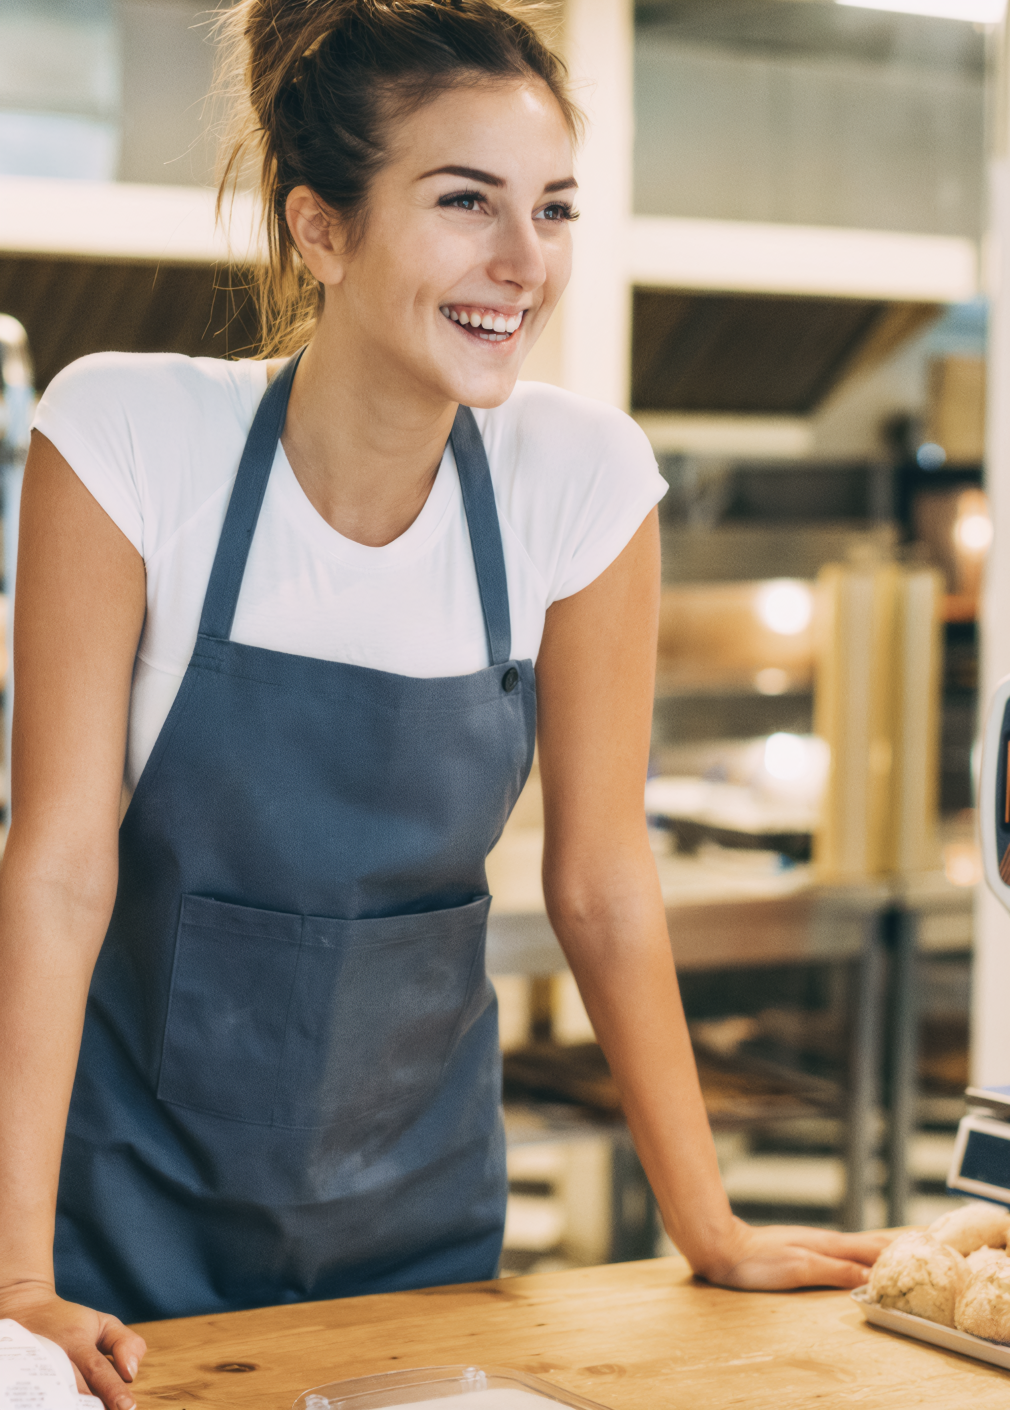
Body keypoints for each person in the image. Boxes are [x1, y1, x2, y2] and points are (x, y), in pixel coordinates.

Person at [0, 0, 890, 1404]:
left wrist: (705, 1223)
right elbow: (57, 868)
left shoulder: (580, 481)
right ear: (321, 226)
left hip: (418, 1233)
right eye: (464, 201)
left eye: (551, 208)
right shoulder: (126, 438)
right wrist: (16, 1279)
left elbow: (601, 880)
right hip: (123, 1229)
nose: (521, 261)